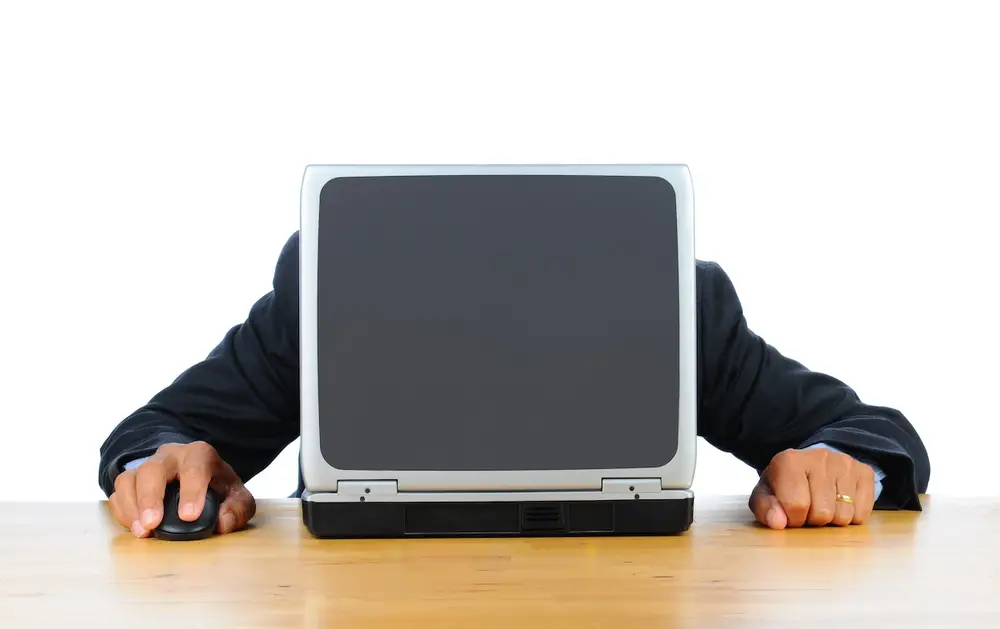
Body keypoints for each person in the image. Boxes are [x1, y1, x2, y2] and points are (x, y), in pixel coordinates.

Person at [99, 232, 930, 538]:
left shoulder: (679, 302)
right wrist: (171, 459)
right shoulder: (326, 290)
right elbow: (158, 429)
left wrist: (833, 459)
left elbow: (869, 430)